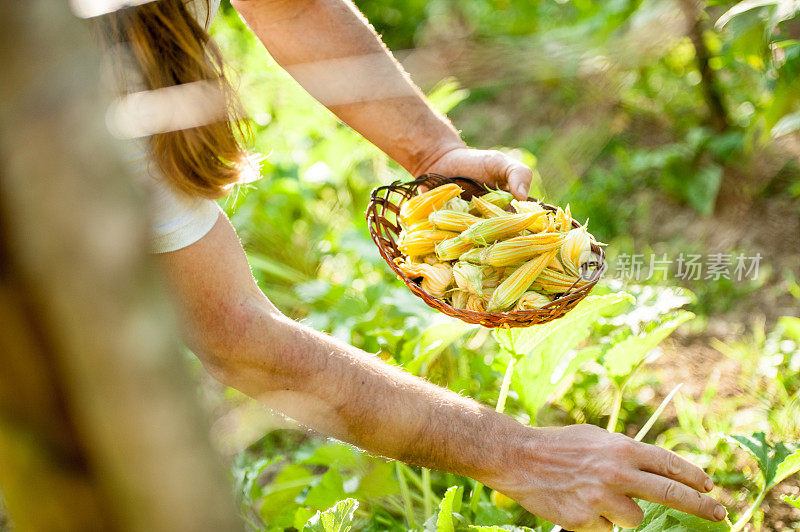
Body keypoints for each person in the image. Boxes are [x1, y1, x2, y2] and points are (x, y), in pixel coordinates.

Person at [106, 1, 727, 530]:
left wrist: (434, 150)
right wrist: (526, 456)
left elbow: (291, 4)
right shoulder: (95, 69)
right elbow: (234, 333)